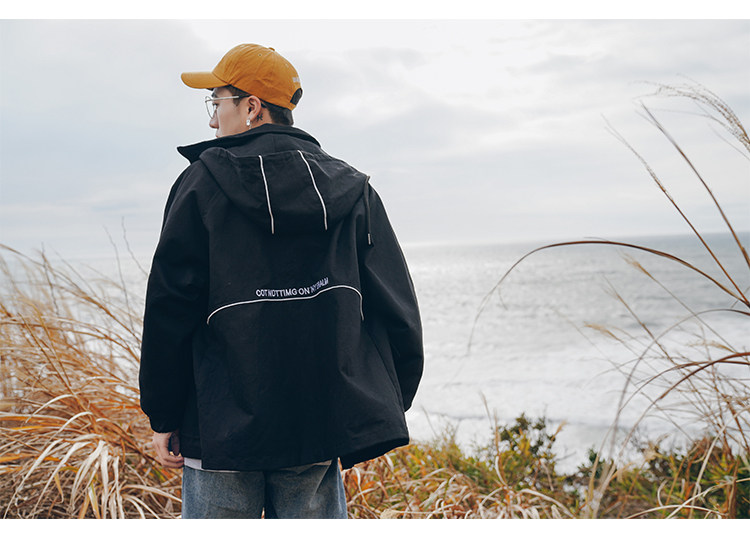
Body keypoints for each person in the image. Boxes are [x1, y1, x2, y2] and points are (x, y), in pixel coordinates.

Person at [138, 43, 424, 519]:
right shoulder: (351, 189)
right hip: (318, 421)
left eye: (216, 102)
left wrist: (164, 413)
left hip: (218, 428)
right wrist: (380, 403)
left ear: (251, 107)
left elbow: (170, 308)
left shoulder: (200, 186)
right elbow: (397, 309)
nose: (212, 120)